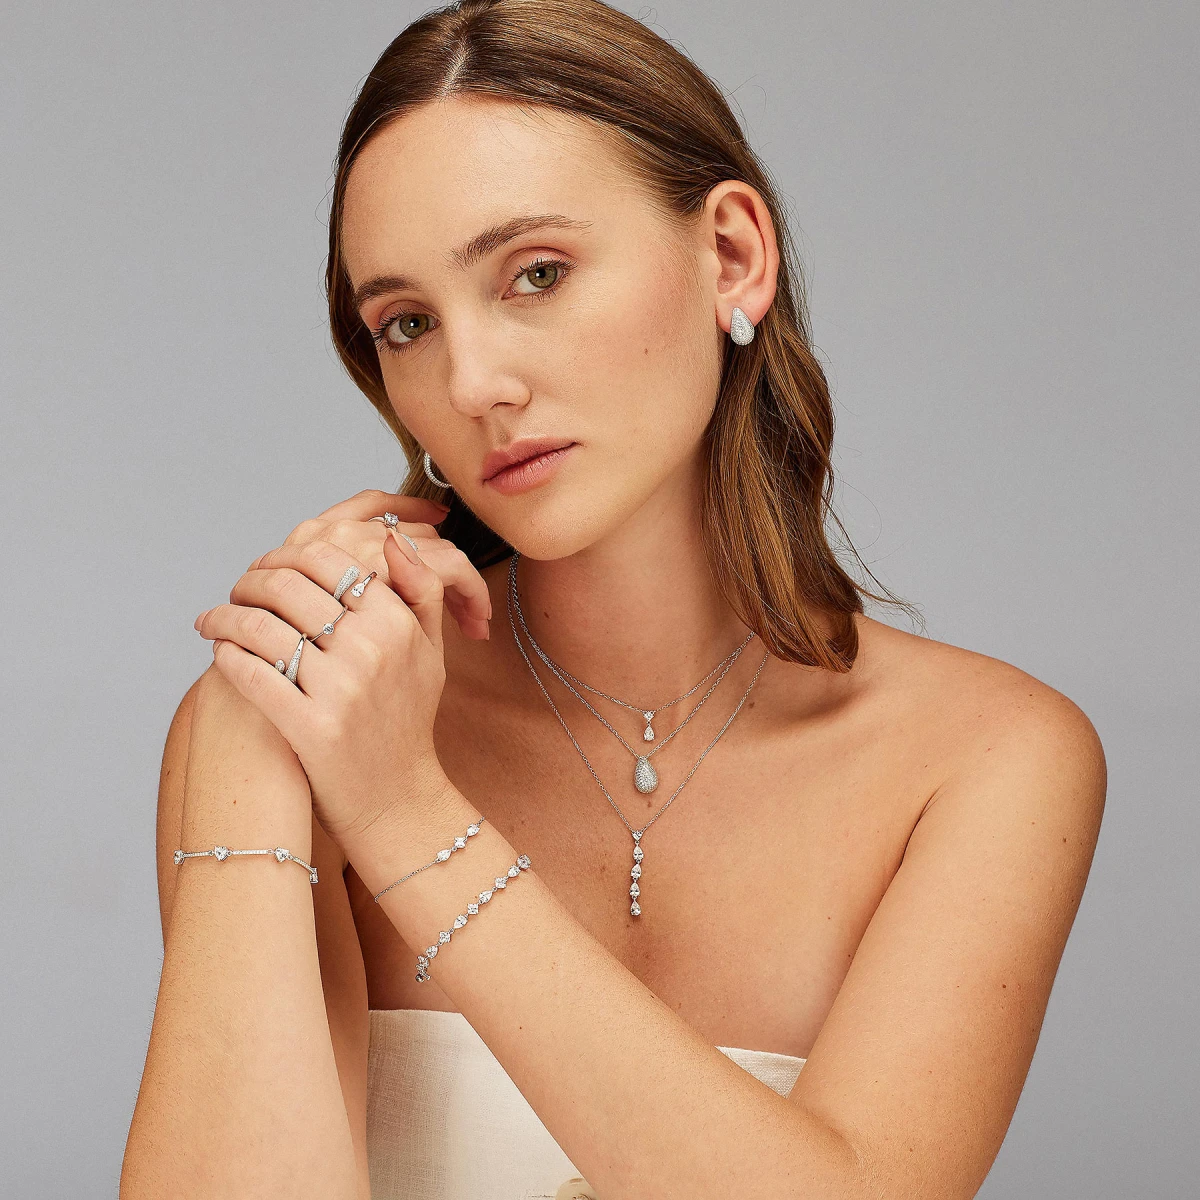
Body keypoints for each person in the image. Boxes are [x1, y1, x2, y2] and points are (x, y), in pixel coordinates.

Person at [120, 2, 1107, 1197]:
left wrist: (403, 815)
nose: (472, 382)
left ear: (730, 255)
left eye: (536, 274)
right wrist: (249, 721)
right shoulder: (301, 720)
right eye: (408, 323)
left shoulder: (986, 758)